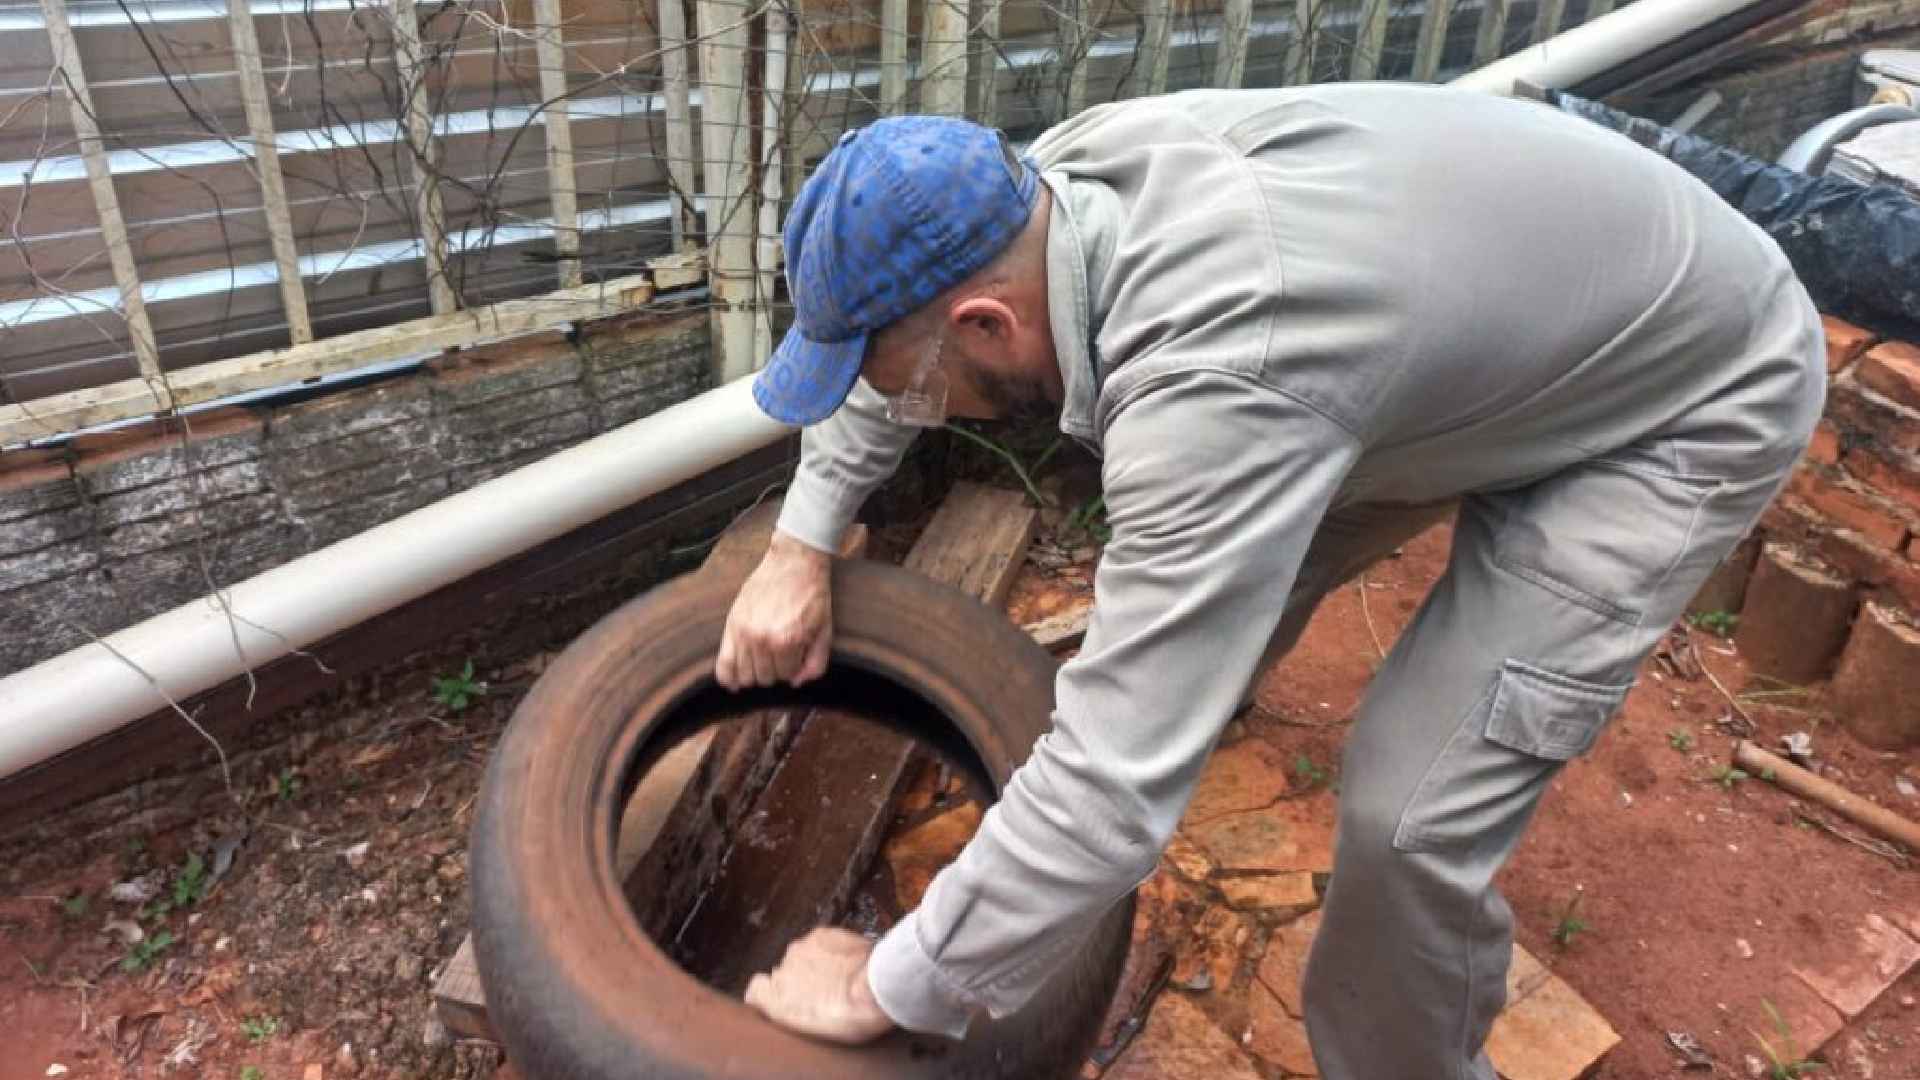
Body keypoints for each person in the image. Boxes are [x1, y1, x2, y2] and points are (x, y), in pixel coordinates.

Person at [722, 82, 1824, 1078]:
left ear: (987, 324)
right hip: (1509, 325)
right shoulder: (1035, 199)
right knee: (1212, 608)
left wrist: (890, 985)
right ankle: (1200, 700)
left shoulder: (1222, 381)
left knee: (1407, 811)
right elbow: (894, 343)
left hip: (1689, 391)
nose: (911, 411)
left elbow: (1109, 785)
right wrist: (800, 541)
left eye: (913, 395)